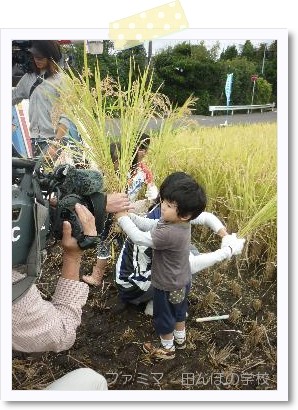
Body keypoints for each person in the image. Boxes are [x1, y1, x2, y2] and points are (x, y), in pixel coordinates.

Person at [115, 173, 245, 360]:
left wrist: (121, 219)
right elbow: (149, 223)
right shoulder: (178, 222)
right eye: (163, 201)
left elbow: (139, 237)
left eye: (167, 205)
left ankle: (168, 349)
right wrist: (130, 216)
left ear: (184, 214)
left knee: (164, 318)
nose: (162, 206)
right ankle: (181, 340)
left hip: (165, 286)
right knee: (179, 312)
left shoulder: (168, 232)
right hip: (181, 283)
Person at [82, 134, 158, 286]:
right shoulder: (109, 174)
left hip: (123, 214)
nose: (115, 164)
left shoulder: (138, 171)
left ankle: (117, 276)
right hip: (116, 215)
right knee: (112, 243)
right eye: (113, 161)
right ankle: (106, 276)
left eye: (118, 160)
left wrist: (153, 194)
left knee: (118, 244)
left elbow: (151, 186)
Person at [12, 40, 74, 159]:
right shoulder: (29, 78)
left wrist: (55, 145)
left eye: (40, 57)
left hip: (55, 140)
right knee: (38, 177)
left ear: (51, 58)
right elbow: (13, 97)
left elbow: (66, 116)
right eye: (35, 57)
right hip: (36, 139)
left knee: (50, 176)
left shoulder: (62, 80)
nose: (37, 60)